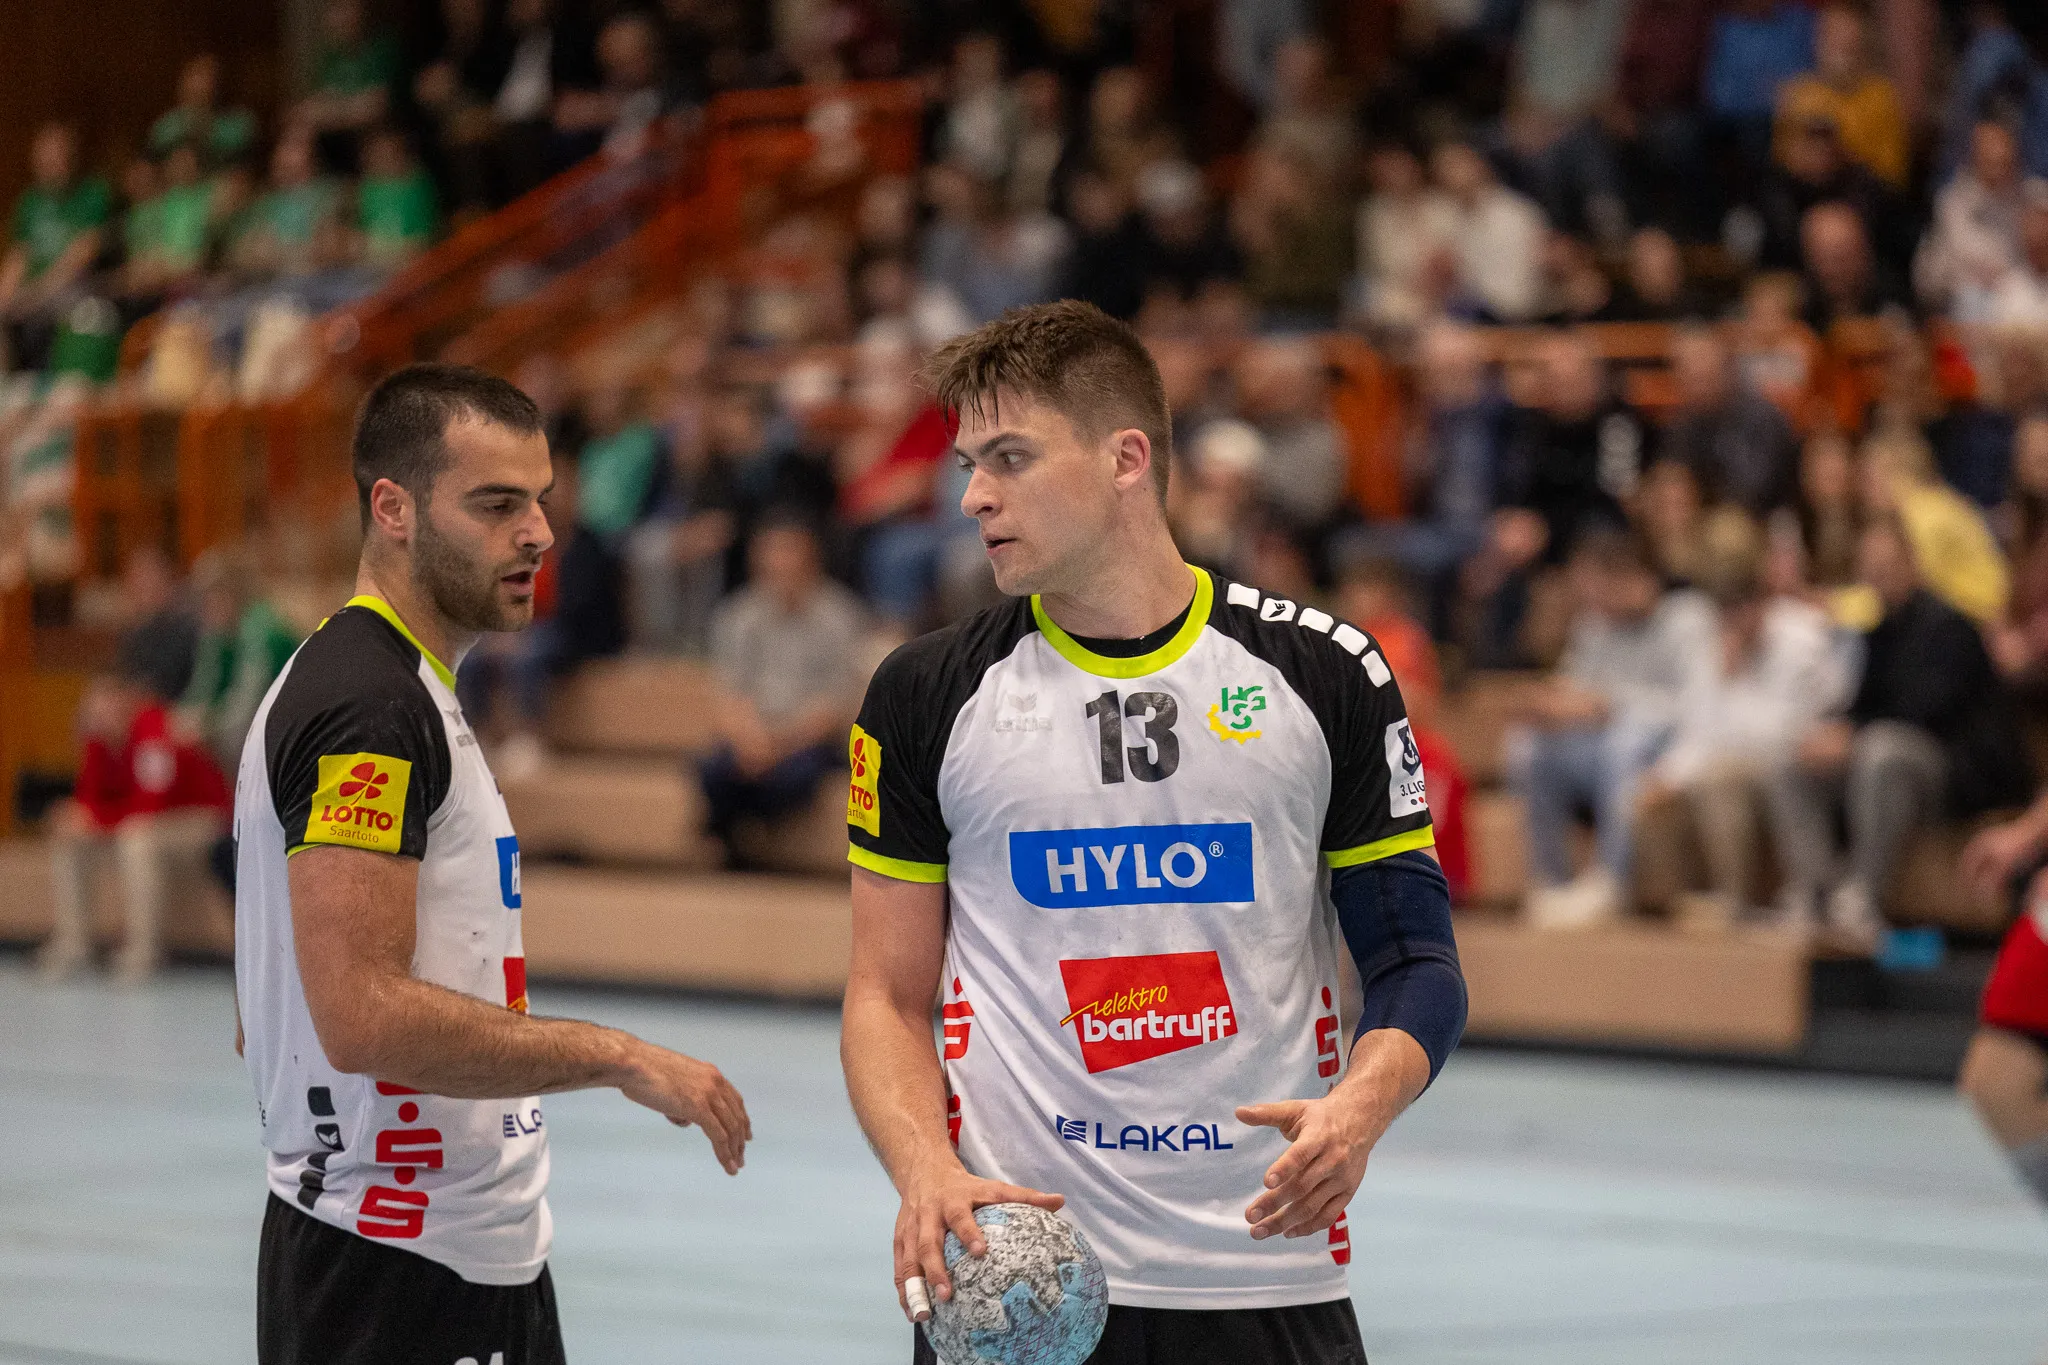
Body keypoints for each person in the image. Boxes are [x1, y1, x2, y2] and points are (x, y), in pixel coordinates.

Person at [840, 301, 1463, 1364]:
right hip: (1016, 1281)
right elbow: (886, 996)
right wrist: (923, 1170)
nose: (972, 494)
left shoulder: (1324, 674)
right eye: (966, 463)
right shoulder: (923, 694)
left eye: (1008, 458)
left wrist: (1358, 1107)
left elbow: (1413, 962)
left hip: (1262, 1269)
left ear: (1125, 457)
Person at [235, 364, 749, 1365]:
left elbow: (276, 1006)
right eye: (496, 504)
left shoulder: (390, 688)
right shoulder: (367, 711)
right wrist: (620, 1056)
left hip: (449, 1246)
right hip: (395, 1269)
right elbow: (358, 1014)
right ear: (393, 509)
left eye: (541, 501)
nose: (539, 534)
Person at [1773, 514, 2033, 947]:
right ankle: (1813, 891)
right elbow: (1864, 705)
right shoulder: (1878, 632)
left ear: (1911, 562)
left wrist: (1854, 735)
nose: (1877, 575)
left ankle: (1862, 897)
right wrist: (1834, 734)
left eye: (1887, 564)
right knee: (1791, 759)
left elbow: (1929, 709)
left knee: (1882, 749)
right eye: (1869, 566)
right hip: (1889, 757)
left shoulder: (1949, 626)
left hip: (1958, 772)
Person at [1506, 529, 1714, 928]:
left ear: (1641, 577)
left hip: (1659, 753)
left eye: (1609, 583)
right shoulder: (1595, 623)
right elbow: (1575, 688)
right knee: (1528, 745)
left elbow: (1697, 711)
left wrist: (1611, 705)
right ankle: (1551, 880)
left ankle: (1610, 883)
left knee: (1626, 739)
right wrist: (1552, 705)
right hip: (1598, 750)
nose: (1599, 597)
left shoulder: (1687, 617)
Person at [40, 667, 232, 982]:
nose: (102, 717)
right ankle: (75, 942)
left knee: (137, 837)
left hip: (203, 817)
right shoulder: (97, 740)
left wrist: (97, 820)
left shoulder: (152, 729)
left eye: (109, 708)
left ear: (125, 703)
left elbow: (152, 802)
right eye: (95, 711)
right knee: (70, 835)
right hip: (146, 819)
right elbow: (89, 795)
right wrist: (78, 816)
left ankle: (144, 948)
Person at [699, 513, 864, 853]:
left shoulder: (839, 618)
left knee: (795, 776)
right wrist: (752, 739)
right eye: (773, 555)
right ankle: (737, 835)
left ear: (811, 561)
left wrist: (779, 745)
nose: (781, 565)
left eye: (790, 554)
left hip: (808, 740)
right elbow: (728, 691)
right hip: (754, 732)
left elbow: (836, 704)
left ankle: (738, 832)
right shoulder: (739, 615)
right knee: (711, 767)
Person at [1, 124, 112, 373]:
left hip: (75, 288)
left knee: (70, 303)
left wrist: (36, 294)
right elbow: (18, 259)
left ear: (71, 156)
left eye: (56, 155)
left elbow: (81, 257)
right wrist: (5, 297)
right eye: (43, 157)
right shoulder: (29, 203)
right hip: (33, 292)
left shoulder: (93, 194)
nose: (49, 163)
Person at [1659, 325, 1801, 514]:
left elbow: (1755, 491)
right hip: (1701, 516)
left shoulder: (1760, 416)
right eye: (1689, 375)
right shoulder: (1683, 423)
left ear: (1725, 368)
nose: (1697, 378)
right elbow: (1674, 473)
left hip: (1763, 517)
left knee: (1728, 529)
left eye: (1703, 373)